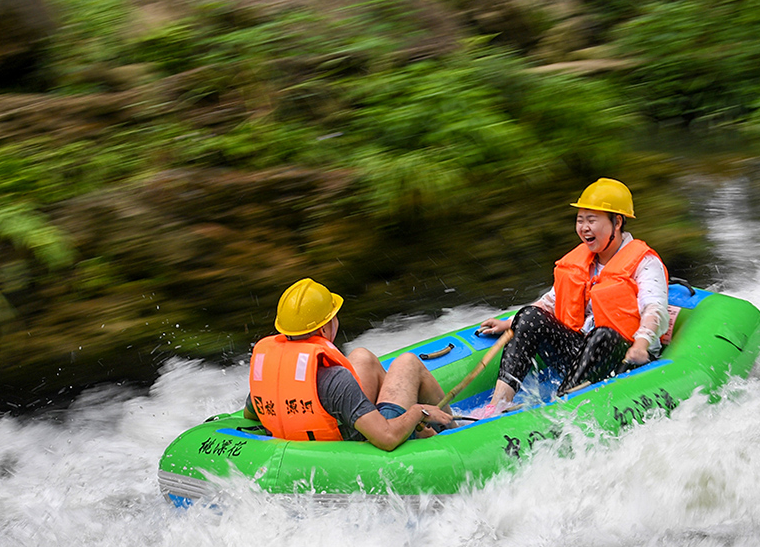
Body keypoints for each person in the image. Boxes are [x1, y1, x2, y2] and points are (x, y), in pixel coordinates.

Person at [478, 177, 669, 407]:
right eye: (580, 220)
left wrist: (641, 344)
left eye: (591, 220)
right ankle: (498, 405)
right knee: (529, 315)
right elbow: (552, 301)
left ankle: (563, 405)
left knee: (602, 335)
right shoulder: (581, 261)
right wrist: (511, 322)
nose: (584, 228)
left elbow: (653, 308)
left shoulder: (644, 261)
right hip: (581, 350)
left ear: (617, 222)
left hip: (624, 354)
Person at [245, 278, 452, 450]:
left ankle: (428, 428)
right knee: (408, 363)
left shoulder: (269, 373)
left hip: (316, 440)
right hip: (361, 450)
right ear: (324, 329)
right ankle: (453, 431)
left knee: (361, 356)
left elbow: (250, 414)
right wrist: (417, 413)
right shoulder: (335, 379)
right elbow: (386, 438)